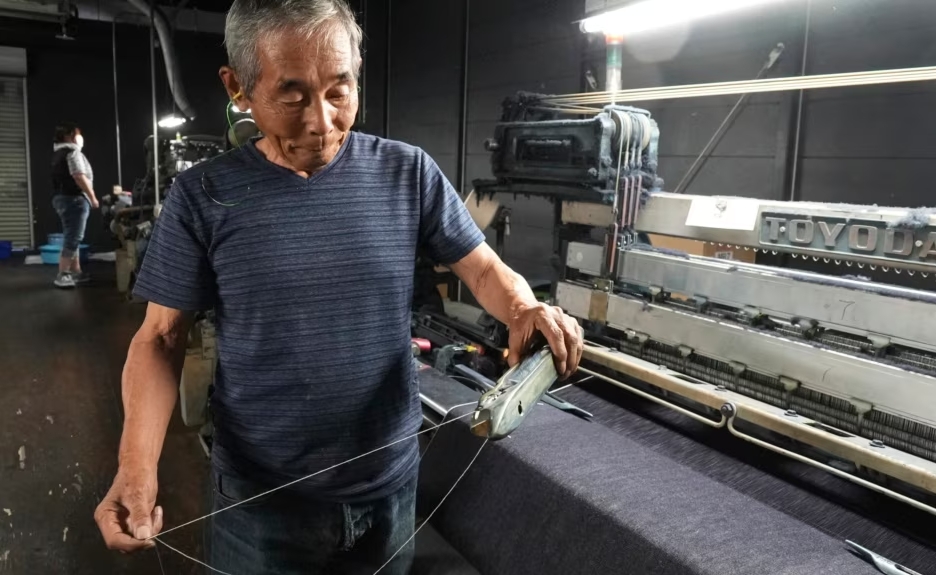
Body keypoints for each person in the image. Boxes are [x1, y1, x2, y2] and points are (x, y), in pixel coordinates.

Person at [93, 1, 584, 573]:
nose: (322, 121)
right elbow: (160, 337)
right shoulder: (203, 197)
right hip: (261, 505)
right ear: (238, 88)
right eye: (293, 95)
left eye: (339, 91)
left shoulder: (408, 173)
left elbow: (480, 269)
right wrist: (135, 468)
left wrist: (524, 307)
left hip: (388, 491)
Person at [51, 122, 99, 288]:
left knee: (72, 235)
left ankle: (76, 272)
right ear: (69, 136)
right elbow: (79, 176)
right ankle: (63, 274)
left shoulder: (58, 153)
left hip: (62, 198)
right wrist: (92, 197)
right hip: (74, 199)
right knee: (74, 237)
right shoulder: (72, 152)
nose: (81, 137)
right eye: (78, 134)